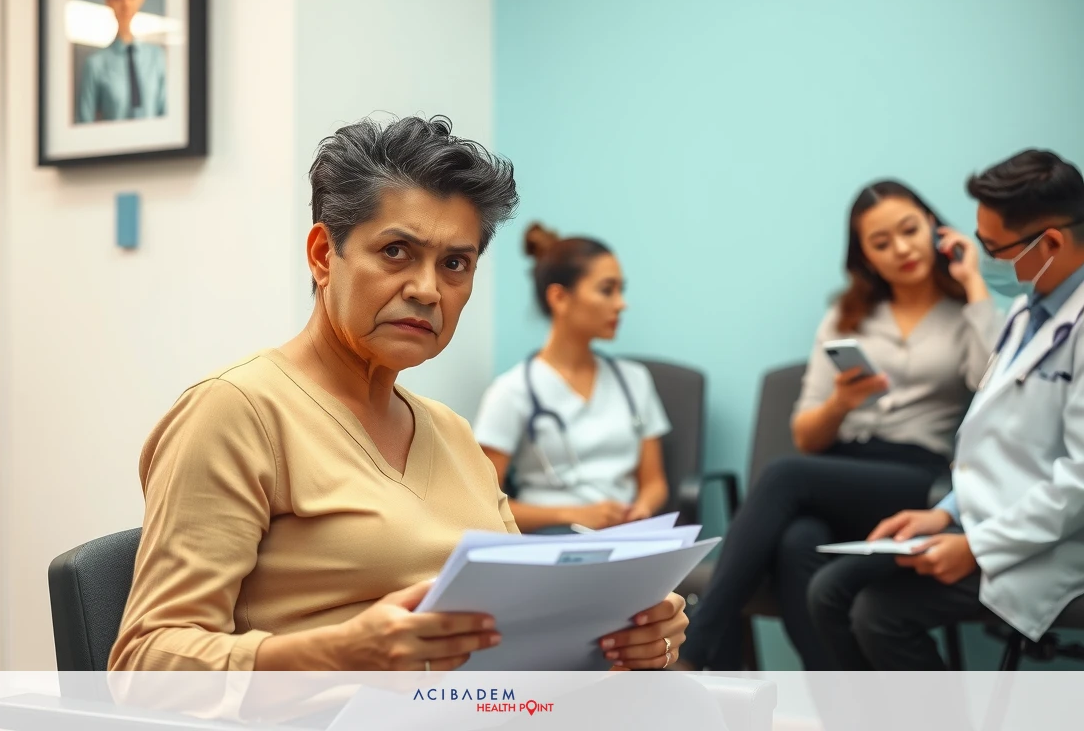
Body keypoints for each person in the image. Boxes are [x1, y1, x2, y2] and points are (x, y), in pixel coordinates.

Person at [109, 116, 689, 673]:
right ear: (321, 256)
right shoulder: (237, 413)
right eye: (396, 252)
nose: (427, 289)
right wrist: (335, 657)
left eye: (455, 264)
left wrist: (629, 639)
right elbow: (147, 660)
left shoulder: (455, 436)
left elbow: (530, 624)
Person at [678, 180, 997, 671]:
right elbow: (808, 434)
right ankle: (849, 712)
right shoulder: (846, 317)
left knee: (785, 475)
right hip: (842, 472)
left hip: (918, 477)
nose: (902, 249)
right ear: (865, 257)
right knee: (796, 540)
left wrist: (974, 282)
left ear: (935, 228)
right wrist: (842, 402)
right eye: (881, 243)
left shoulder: (969, 313)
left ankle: (693, 650)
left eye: (910, 230)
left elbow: (991, 383)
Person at [809, 149, 1084, 670]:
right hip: (989, 521)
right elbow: (1001, 446)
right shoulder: (1030, 311)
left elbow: (1079, 485)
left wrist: (976, 546)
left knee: (877, 613)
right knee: (830, 590)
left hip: (1054, 541)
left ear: (1049, 242)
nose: (982, 258)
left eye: (993, 248)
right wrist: (946, 513)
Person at [473, 224, 672, 533]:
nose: (621, 303)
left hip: (625, 534)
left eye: (622, 290)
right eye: (607, 290)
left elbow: (655, 482)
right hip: (551, 539)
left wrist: (642, 509)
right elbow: (484, 505)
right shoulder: (511, 392)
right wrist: (571, 515)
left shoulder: (635, 380)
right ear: (559, 298)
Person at [76, 0, 167, 124]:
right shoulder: (95, 64)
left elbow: (168, 117)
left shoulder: (157, 58)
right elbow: (84, 123)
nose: (125, 4)